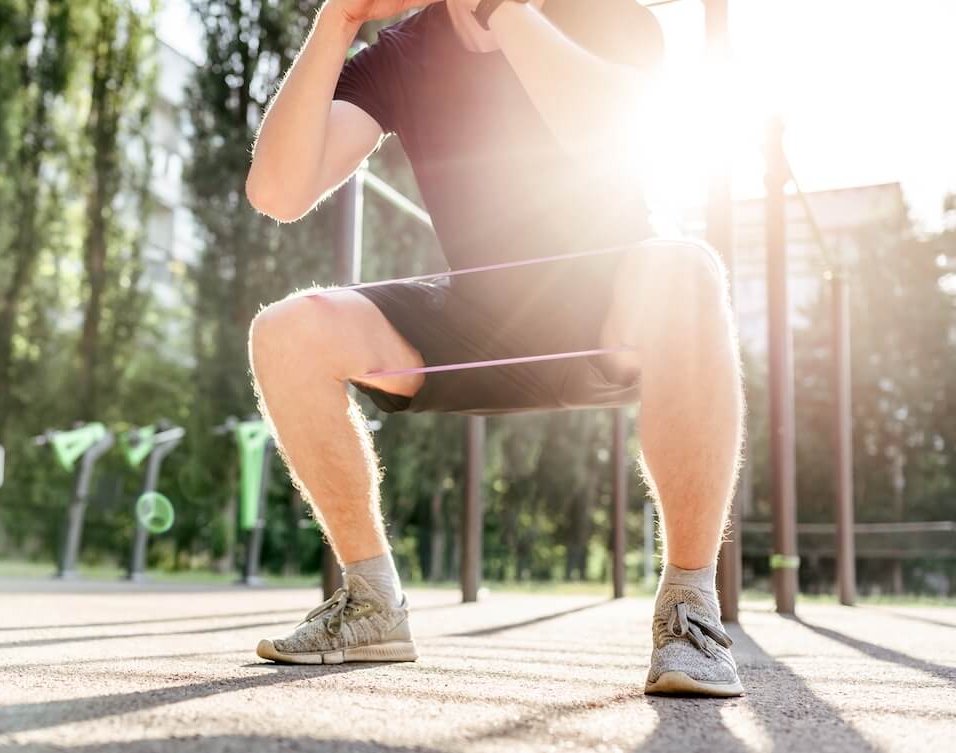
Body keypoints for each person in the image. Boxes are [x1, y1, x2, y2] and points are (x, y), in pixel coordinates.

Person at [246, 0, 745, 697]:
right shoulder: (402, 53)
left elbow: (600, 137)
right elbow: (276, 190)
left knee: (687, 269)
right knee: (286, 332)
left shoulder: (608, 15)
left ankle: (689, 608)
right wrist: (338, 21)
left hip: (610, 305)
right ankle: (371, 601)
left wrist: (498, 9)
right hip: (479, 315)